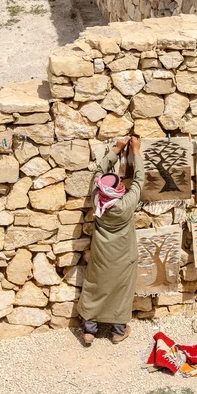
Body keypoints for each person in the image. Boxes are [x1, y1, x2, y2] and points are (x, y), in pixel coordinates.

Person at [77, 136, 143, 345]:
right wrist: (136, 150)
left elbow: (98, 172)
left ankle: (89, 331)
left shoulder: (98, 198)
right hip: (124, 256)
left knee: (96, 287)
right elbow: (140, 180)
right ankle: (118, 331)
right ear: (118, 190)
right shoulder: (126, 205)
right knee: (122, 290)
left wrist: (116, 149)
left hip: (101, 254)